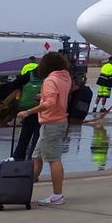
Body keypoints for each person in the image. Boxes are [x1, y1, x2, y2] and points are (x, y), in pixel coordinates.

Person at [16, 51, 72, 206]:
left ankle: (57, 195)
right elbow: (56, 98)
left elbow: (50, 104)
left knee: (53, 159)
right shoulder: (65, 77)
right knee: (37, 156)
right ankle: (24, 189)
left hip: (51, 123)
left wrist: (28, 111)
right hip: (59, 121)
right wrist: (43, 97)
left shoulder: (50, 80)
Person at [11, 66, 43, 161]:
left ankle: (17, 160)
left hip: (26, 110)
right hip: (40, 110)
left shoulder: (29, 73)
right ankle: (31, 162)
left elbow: (15, 84)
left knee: (24, 137)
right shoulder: (48, 77)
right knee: (36, 139)